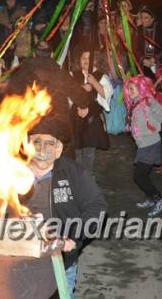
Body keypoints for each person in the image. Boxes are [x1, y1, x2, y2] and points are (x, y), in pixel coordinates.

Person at [25, 112, 107, 298]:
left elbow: (96, 207)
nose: (42, 148)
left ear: (59, 149)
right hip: (19, 259)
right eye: (36, 141)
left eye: (49, 143)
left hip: (60, 261)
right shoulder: (11, 173)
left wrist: (73, 237)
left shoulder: (74, 173)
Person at [123, 75, 162, 216]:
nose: (130, 91)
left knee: (139, 176)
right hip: (143, 145)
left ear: (141, 88)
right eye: (129, 89)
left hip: (150, 144)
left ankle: (159, 199)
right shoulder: (135, 103)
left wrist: (153, 105)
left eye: (133, 88)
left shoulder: (149, 102)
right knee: (142, 175)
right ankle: (151, 197)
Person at [70, 46, 113, 171]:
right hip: (76, 117)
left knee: (89, 150)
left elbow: (106, 95)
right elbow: (68, 94)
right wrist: (81, 89)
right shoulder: (74, 75)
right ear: (79, 60)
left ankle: (87, 176)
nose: (86, 60)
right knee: (77, 150)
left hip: (92, 118)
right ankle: (77, 175)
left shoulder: (100, 76)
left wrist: (94, 83)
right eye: (83, 58)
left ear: (95, 60)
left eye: (89, 58)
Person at [134, 6, 162, 80]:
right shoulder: (137, 30)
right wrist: (144, 60)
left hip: (156, 62)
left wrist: (154, 58)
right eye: (141, 17)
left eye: (146, 17)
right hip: (142, 63)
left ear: (152, 19)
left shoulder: (160, 29)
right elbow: (134, 48)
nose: (142, 20)